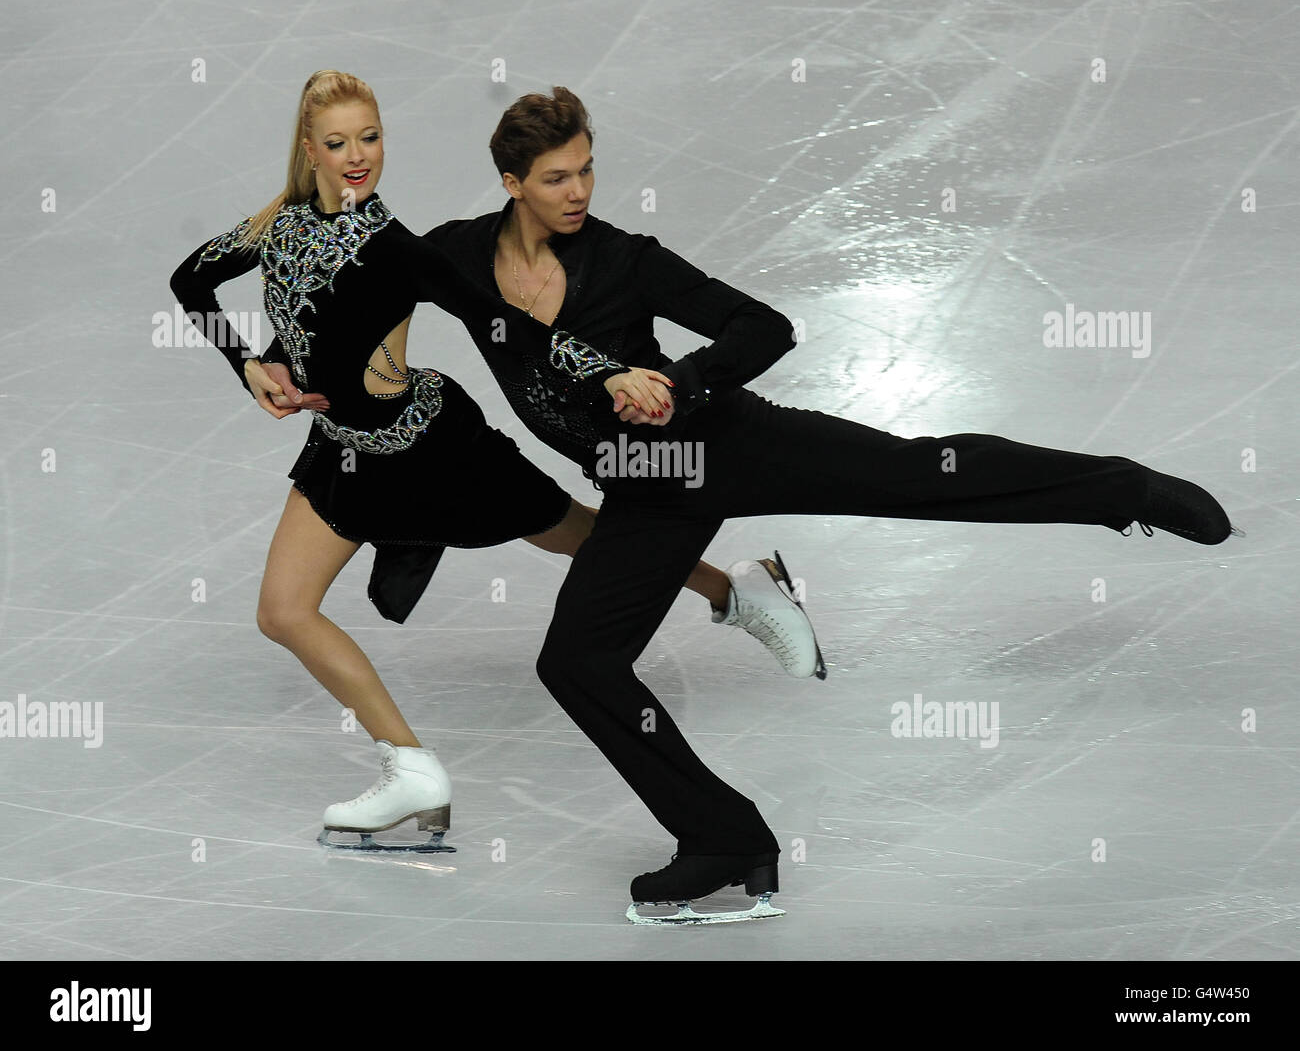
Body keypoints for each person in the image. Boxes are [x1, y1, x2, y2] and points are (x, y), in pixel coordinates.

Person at [423, 86, 1240, 918]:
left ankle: (1122, 490)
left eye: (588, 170)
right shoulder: (457, 260)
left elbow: (763, 326)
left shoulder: (626, 259)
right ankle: (724, 838)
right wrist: (285, 365)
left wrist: (682, 380)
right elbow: (360, 284)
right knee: (576, 663)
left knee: (926, 473)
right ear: (510, 182)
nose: (580, 192)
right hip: (646, 482)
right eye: (558, 178)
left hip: (726, 442)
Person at [169, 71, 821, 853]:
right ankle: (410, 767)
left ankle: (737, 589)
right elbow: (193, 279)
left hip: (431, 448)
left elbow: (511, 325)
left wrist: (606, 371)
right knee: (282, 610)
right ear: (308, 147)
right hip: (345, 453)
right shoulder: (275, 222)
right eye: (338, 142)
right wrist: (249, 362)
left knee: (576, 533)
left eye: (371, 138)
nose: (357, 157)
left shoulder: (397, 248)